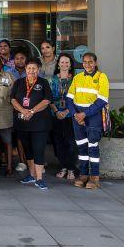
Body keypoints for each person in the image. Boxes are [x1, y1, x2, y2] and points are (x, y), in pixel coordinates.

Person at [67, 52, 110, 189]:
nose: (87, 64)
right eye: (85, 62)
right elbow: (69, 99)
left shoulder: (102, 77)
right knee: (81, 147)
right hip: (77, 118)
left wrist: (84, 114)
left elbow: (102, 100)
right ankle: (83, 175)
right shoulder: (78, 77)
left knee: (93, 148)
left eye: (90, 62)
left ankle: (94, 177)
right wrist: (75, 115)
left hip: (93, 117)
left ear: (95, 63)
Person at [11, 59, 52, 190]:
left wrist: (32, 111)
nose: (31, 71)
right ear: (25, 69)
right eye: (29, 68)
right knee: (28, 150)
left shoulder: (43, 82)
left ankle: (39, 178)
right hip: (23, 123)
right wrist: (23, 110)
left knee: (38, 149)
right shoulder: (18, 83)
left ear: (38, 70)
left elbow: (46, 100)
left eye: (34, 68)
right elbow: (12, 99)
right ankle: (32, 175)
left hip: (40, 123)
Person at [50, 53, 77, 181]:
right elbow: (48, 98)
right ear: (58, 64)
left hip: (70, 115)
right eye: (62, 62)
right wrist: (56, 112)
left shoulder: (76, 80)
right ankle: (63, 167)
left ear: (71, 65)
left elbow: (77, 99)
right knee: (58, 142)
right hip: (55, 115)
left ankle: (71, 168)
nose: (64, 64)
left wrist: (66, 111)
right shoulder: (52, 79)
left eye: (67, 62)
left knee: (71, 143)